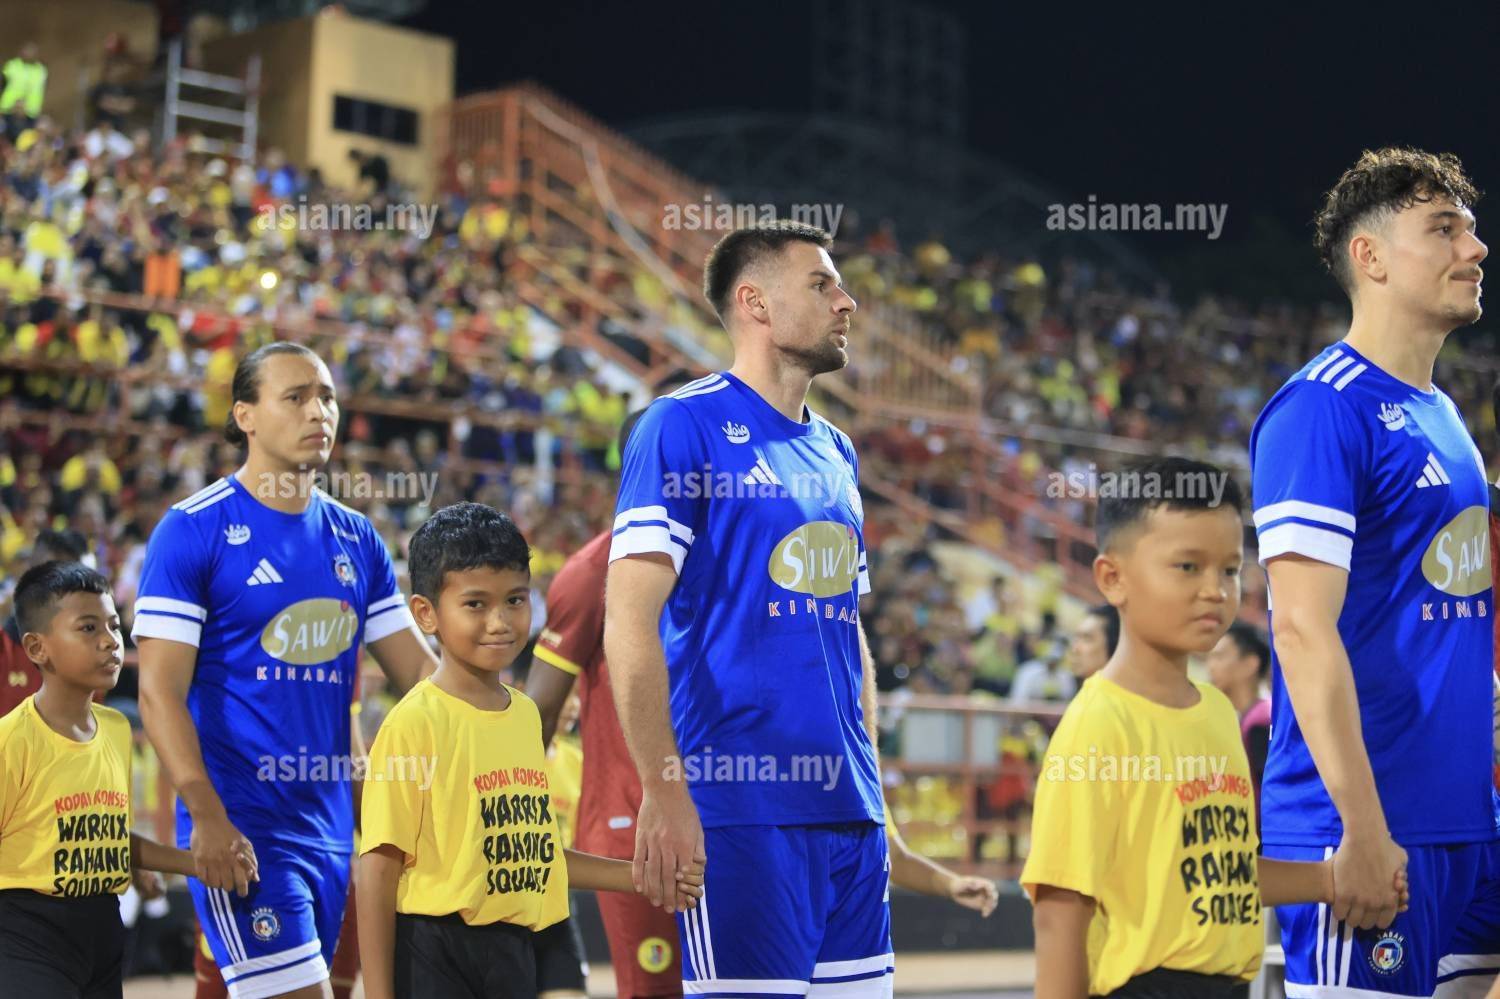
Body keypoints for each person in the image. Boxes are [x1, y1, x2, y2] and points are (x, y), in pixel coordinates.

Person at [605, 222, 890, 995]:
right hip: (739, 807)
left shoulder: (838, 451)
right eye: (822, 284)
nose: (846, 302)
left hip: (851, 814)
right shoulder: (680, 425)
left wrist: (874, 785)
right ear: (755, 302)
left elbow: (848, 630)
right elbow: (627, 621)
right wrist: (665, 789)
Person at [1251, 147, 1500, 997]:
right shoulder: (1320, 408)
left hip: (1467, 825)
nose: (1476, 249)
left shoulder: (1446, 416)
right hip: (1366, 829)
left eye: (1473, 230)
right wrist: (1361, 828)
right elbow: (1300, 627)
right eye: (1445, 229)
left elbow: (1446, 608)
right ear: (1372, 256)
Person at [1024, 457, 1402, 999]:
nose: (1216, 591)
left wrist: (1333, 880)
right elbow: (1061, 910)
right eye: (1187, 567)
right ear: (1112, 578)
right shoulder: (1099, 727)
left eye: (1228, 570)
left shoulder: (1219, 714)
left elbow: (1224, 870)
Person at [133, 342, 439, 999]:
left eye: (326, 396)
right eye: (295, 397)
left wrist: (497, 718)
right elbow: (158, 691)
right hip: (243, 828)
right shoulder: (192, 529)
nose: (317, 411)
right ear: (244, 415)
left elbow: (422, 673)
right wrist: (205, 814)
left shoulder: (358, 538)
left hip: (334, 835)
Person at [356, 503, 701, 999]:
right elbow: (378, 869)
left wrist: (640, 877)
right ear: (426, 614)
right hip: (433, 952)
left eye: (514, 600)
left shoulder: (523, 717)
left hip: (514, 951)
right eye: (476, 604)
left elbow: (537, 854)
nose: (500, 621)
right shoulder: (413, 723)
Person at [527, 410, 685, 999]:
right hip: (633, 833)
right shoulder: (593, 570)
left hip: (720, 817)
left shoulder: (720, 561)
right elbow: (540, 712)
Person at [0, 561, 212, 996]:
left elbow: (108, 835)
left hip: (102, 928)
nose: (110, 641)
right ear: (37, 648)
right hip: (26, 932)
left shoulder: (115, 729)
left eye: (114, 626)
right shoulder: (11, 742)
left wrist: (198, 863)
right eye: (88, 628)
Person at [1206, 621, 1271, 810]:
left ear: (1250, 664)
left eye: (1219, 657)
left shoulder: (1261, 721)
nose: (1211, 667)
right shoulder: (1246, 717)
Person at [0, 42, 46, 136]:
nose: (29, 54)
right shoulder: (12, 65)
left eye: (32, 52)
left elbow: (42, 90)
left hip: (31, 112)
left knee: (26, 138)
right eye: (27, 51)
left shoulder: (41, 70)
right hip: (8, 109)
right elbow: (2, 83)